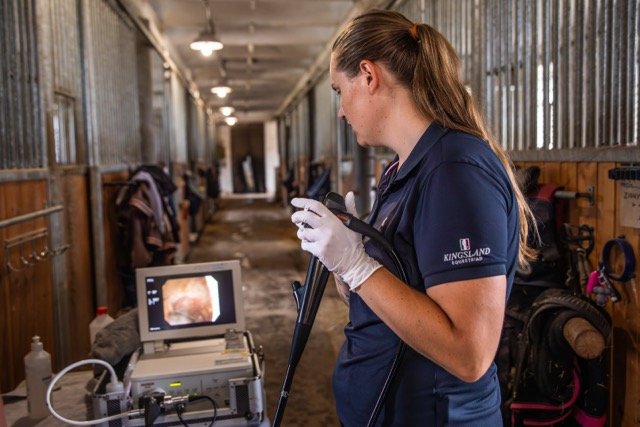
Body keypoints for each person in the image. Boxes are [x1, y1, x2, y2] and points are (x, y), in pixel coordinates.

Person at [290, 9, 536, 426]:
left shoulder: (454, 172)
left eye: (338, 91)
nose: (341, 112)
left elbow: (469, 354)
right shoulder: (403, 170)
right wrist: (346, 268)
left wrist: (358, 266)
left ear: (368, 76)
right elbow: (401, 295)